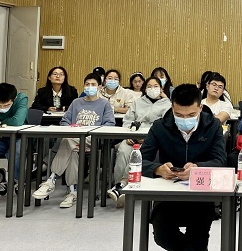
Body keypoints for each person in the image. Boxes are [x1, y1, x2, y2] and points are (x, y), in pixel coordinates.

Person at [141, 84, 226, 251]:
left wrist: (198, 168)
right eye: (179, 115)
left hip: (201, 196)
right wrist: (158, 169)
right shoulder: (160, 126)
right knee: (162, 237)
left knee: (197, 241)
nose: (185, 119)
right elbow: (139, 161)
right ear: (172, 108)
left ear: (200, 108)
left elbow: (220, 161)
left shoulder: (213, 125)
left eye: (191, 115)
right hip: (167, 195)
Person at [33, 73, 115, 208]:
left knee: (67, 141)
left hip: (92, 140)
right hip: (75, 139)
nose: (90, 87)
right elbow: (64, 121)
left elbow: (110, 124)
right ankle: (73, 193)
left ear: (99, 87)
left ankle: (52, 179)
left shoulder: (104, 104)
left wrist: (91, 131)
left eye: (93, 84)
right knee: (71, 148)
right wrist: (72, 128)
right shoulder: (76, 102)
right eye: (87, 84)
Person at [106, 76, 171, 207]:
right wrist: (129, 135)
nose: (152, 89)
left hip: (153, 141)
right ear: (145, 89)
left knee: (137, 154)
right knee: (123, 150)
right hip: (133, 136)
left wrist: (148, 138)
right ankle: (118, 185)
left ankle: (123, 187)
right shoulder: (138, 102)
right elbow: (127, 120)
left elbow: (167, 126)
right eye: (149, 86)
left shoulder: (167, 104)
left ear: (161, 88)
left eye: (156, 86)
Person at [0, 83, 28, 196]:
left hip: (19, 137)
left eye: (6, 105)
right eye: (0, 105)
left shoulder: (21, 98)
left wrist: (1, 122)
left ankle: (17, 180)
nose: (2, 108)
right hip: (2, 137)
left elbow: (17, 121)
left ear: (14, 99)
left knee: (17, 152)